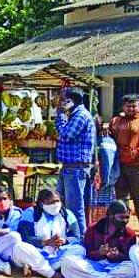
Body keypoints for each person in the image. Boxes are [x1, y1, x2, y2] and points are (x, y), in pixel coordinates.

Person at [58, 200, 137, 278]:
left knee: (133, 268)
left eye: (127, 218)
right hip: (92, 265)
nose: (125, 221)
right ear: (111, 216)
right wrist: (99, 252)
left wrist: (117, 255)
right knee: (68, 262)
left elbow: (128, 257)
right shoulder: (93, 229)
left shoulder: (130, 233)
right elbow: (86, 253)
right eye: (122, 217)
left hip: (115, 267)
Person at [10, 189, 86, 278]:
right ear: (42, 203)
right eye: (51, 202)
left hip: (59, 252)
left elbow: (76, 237)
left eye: (57, 201)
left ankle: (39, 269)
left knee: (80, 249)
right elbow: (25, 237)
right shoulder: (31, 213)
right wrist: (45, 242)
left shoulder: (67, 214)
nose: (56, 205)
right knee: (19, 247)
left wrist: (64, 240)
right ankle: (51, 273)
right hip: (37, 251)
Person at [110, 94, 139, 226]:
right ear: (123, 107)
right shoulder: (116, 121)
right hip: (120, 165)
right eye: (128, 106)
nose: (131, 109)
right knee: (121, 197)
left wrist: (137, 152)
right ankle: (122, 229)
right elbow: (110, 137)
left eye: (134, 106)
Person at [54, 89, 96, 232]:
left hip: (76, 168)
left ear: (71, 101)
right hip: (69, 167)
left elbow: (66, 135)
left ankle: (81, 239)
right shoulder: (73, 116)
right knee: (62, 203)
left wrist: (60, 115)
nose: (60, 104)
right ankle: (71, 233)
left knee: (75, 207)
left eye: (63, 100)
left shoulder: (80, 116)